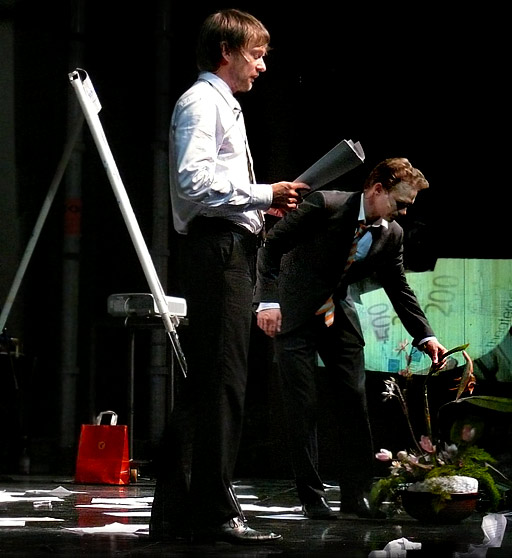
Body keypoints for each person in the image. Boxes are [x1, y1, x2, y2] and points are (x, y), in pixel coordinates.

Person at [149, 9, 309, 544]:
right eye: (256, 55)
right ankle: (212, 512)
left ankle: (177, 511)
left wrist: (262, 204)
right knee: (221, 383)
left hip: (226, 246)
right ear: (226, 51)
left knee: (209, 384)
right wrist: (262, 193)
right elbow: (193, 184)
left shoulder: (221, 105)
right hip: (218, 252)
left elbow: (211, 185)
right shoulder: (203, 102)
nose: (262, 66)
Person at [255, 157, 447, 519]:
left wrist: (425, 336)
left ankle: (356, 496)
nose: (404, 212)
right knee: (302, 406)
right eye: (400, 203)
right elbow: (271, 246)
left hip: (337, 311)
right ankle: (312, 497)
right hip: (294, 311)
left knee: (354, 403)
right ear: (377, 190)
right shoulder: (325, 205)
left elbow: (398, 286)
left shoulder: (391, 233)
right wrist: (267, 301)